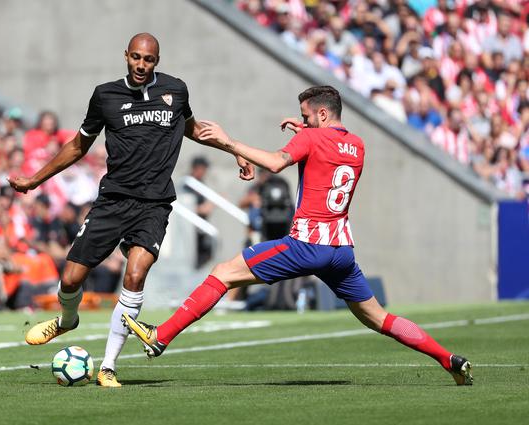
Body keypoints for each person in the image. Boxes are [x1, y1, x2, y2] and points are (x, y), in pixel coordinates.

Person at [122, 85, 473, 386]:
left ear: (321, 114)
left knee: (222, 274)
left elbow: (275, 164)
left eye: (305, 116)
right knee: (379, 318)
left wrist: (230, 142)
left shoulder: (311, 136)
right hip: (341, 250)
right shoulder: (358, 145)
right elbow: (325, 153)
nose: (302, 121)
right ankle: (449, 359)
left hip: (307, 244)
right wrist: (305, 134)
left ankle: (160, 336)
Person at [8, 33, 253, 387]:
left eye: (149, 60)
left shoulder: (175, 91)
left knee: (135, 275)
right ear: (126, 56)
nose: (141, 65)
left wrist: (235, 149)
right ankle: (66, 320)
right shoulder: (105, 95)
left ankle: (108, 366)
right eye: (136, 57)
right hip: (113, 200)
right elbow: (79, 145)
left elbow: (193, 129)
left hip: (154, 203)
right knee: (71, 278)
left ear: (157, 61)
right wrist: (34, 179)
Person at [183, 156, 215, 268]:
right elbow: (181, 205)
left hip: (199, 226)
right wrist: (201, 209)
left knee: (207, 251)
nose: (203, 172)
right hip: (187, 228)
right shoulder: (187, 184)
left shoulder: (200, 184)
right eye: (201, 169)